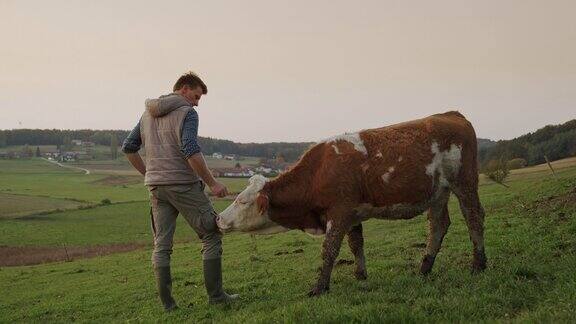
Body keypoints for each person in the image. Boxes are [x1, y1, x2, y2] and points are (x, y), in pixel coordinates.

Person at [122, 72, 238, 311]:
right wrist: (213, 183)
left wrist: (148, 174)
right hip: (183, 185)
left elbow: (129, 148)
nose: (196, 103)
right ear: (184, 89)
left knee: (161, 246)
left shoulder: (147, 114)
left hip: (156, 188)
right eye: (196, 96)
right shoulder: (188, 113)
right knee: (211, 235)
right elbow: (190, 149)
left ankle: (168, 306)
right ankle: (216, 297)